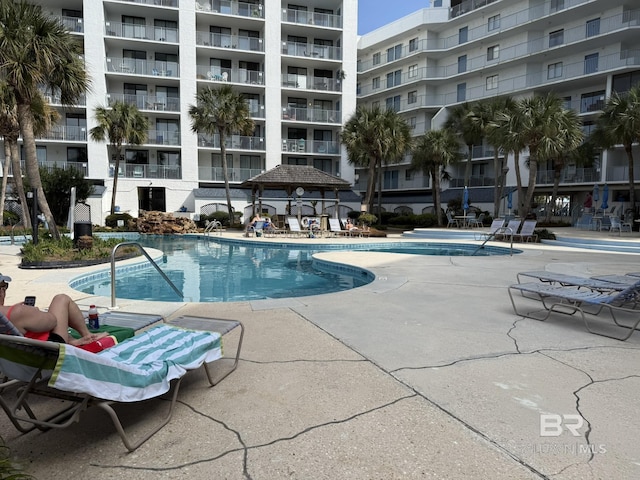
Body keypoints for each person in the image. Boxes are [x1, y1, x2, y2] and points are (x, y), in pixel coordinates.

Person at [0, 274, 107, 346]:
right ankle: (87, 335)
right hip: (48, 352)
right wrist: (33, 312)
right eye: (3, 286)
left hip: (17, 359)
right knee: (61, 299)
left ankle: (73, 340)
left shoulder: (10, 314)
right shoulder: (18, 312)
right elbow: (52, 321)